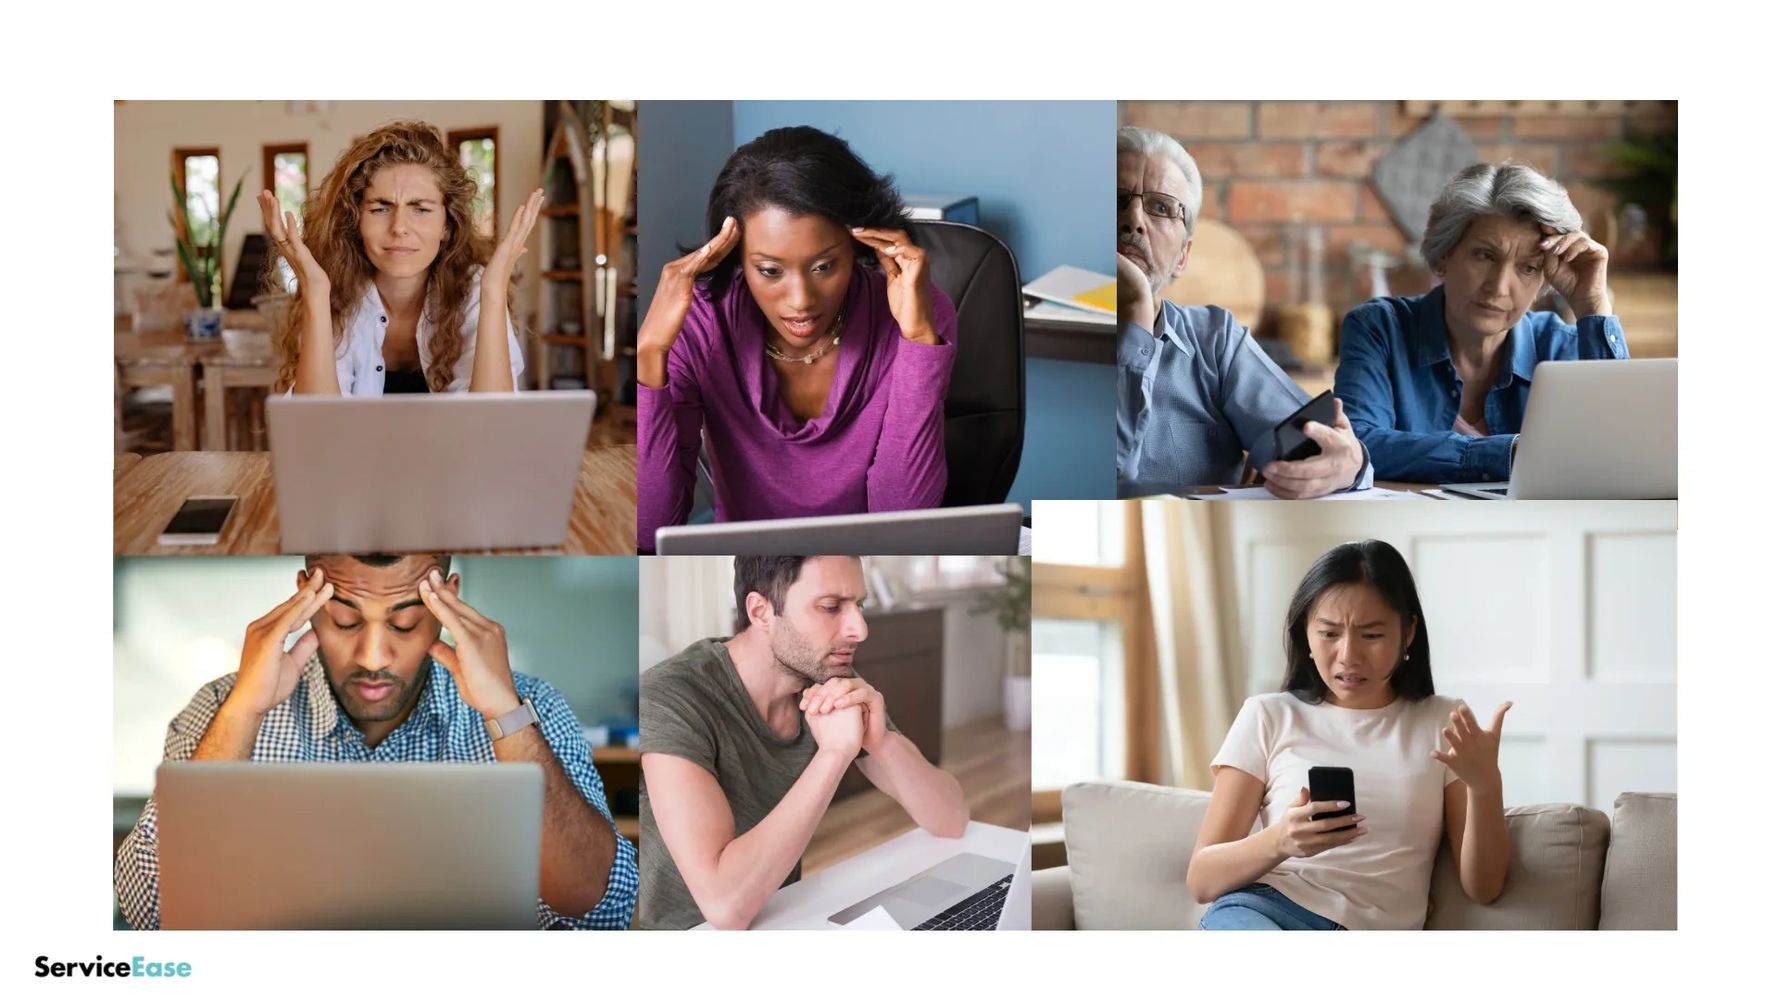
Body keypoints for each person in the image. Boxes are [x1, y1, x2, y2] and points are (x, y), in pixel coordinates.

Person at [114, 554, 638, 930]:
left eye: (406, 623)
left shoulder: (529, 706)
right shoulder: (222, 706)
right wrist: (242, 714)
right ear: (304, 597)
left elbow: (602, 911)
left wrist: (504, 713)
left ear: (447, 601)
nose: (372, 657)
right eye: (344, 620)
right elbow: (152, 912)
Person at [636, 127, 957, 551]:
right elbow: (650, 527)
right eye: (770, 271)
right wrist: (650, 353)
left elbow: (904, 522)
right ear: (735, 257)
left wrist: (917, 339)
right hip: (747, 563)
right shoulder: (700, 322)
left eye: (825, 266)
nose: (801, 300)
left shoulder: (915, 311)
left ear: (860, 243)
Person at [1187, 540, 1511, 930]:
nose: (1348, 656)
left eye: (1371, 636)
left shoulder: (1443, 720)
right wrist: (1281, 841)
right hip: (1265, 912)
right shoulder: (1267, 715)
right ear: (1305, 632)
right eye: (1329, 634)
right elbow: (1202, 880)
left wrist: (1485, 785)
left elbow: (1485, 887)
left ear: (1408, 633)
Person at [637, 555, 969, 929]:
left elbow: (952, 820)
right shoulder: (669, 697)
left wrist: (883, 742)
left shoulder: (823, 676)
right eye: (831, 607)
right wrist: (833, 753)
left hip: (784, 918)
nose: (859, 628)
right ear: (761, 611)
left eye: (859, 605)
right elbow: (725, 906)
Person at [1115, 126, 1371, 499]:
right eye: (1117, 200)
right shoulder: (1052, 338)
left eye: (1160, 207)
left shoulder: (1215, 339)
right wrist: (1136, 311)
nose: (1134, 218)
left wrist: (1348, 463)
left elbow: (1313, 446)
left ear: (1183, 257)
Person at [1334, 162, 1629, 483]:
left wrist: (1594, 306)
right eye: (1484, 256)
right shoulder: (1380, 328)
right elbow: (1357, 444)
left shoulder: (1561, 345)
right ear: (1444, 255)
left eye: (1528, 268)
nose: (1499, 287)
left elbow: (1620, 452)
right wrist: (1511, 453)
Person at [260, 120, 545, 395]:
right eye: (380, 208)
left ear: (447, 224)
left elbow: (492, 426)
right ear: (355, 221)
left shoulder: (471, 288)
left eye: (420, 209)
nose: (399, 228)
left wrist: (493, 289)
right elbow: (316, 428)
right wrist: (316, 292)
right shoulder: (335, 290)